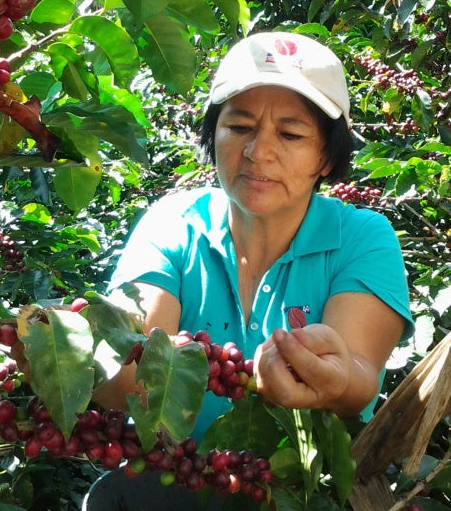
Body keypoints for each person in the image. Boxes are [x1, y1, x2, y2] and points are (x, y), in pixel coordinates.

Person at [95, 31, 413, 439]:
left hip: (299, 496)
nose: (258, 151)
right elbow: (128, 375)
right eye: (240, 126)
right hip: (165, 488)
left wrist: (334, 378)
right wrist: (73, 359)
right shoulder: (173, 223)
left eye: (290, 134)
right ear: (214, 136)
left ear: (328, 156)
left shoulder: (361, 239)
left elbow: (358, 374)